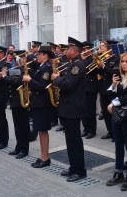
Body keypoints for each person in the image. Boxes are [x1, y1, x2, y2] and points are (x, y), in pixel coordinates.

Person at [51, 37, 87, 182]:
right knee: (70, 141)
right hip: (68, 107)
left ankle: (79, 170)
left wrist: (56, 78)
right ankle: (73, 167)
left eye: (67, 50)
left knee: (74, 141)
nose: (65, 52)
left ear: (74, 50)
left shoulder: (77, 65)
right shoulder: (72, 64)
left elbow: (67, 85)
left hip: (73, 108)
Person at [106, 52, 127, 191]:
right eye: (122, 61)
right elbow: (112, 94)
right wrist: (114, 85)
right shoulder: (121, 75)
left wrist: (114, 103)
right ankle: (118, 172)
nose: (124, 64)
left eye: (126, 61)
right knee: (118, 144)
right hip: (117, 114)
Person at [23, 46, 54, 167]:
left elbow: (42, 85)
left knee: (43, 130)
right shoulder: (41, 67)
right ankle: (42, 155)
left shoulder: (47, 68)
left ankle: (46, 157)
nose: (37, 56)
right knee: (40, 130)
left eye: (39, 54)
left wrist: (29, 80)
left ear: (45, 55)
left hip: (43, 103)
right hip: (37, 102)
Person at [2, 50, 31, 159]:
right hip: (15, 100)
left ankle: (25, 149)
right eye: (16, 59)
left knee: (23, 127)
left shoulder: (27, 70)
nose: (18, 61)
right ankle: (18, 147)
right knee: (17, 125)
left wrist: (5, 77)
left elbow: (16, 81)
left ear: (25, 59)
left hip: (22, 101)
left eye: (21, 58)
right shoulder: (17, 69)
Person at [97, 40, 120, 141]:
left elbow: (114, 72)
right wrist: (98, 66)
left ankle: (116, 133)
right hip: (103, 88)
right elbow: (102, 74)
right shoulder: (105, 58)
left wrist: (103, 66)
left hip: (112, 88)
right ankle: (109, 131)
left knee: (113, 111)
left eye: (109, 47)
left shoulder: (117, 58)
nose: (108, 49)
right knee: (106, 112)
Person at [81, 41, 98, 139]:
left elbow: (86, 69)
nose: (84, 51)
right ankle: (85, 128)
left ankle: (92, 130)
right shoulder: (83, 58)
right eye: (83, 49)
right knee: (84, 109)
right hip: (83, 87)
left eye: (86, 49)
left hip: (91, 87)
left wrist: (83, 60)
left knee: (90, 110)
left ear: (90, 49)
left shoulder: (93, 58)